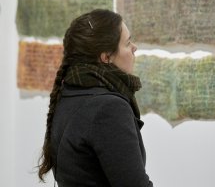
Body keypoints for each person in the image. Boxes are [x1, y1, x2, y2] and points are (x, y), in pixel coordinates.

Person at [37, 9, 153, 187]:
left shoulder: (71, 92)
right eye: (128, 43)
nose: (134, 48)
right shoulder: (108, 108)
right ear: (106, 57)